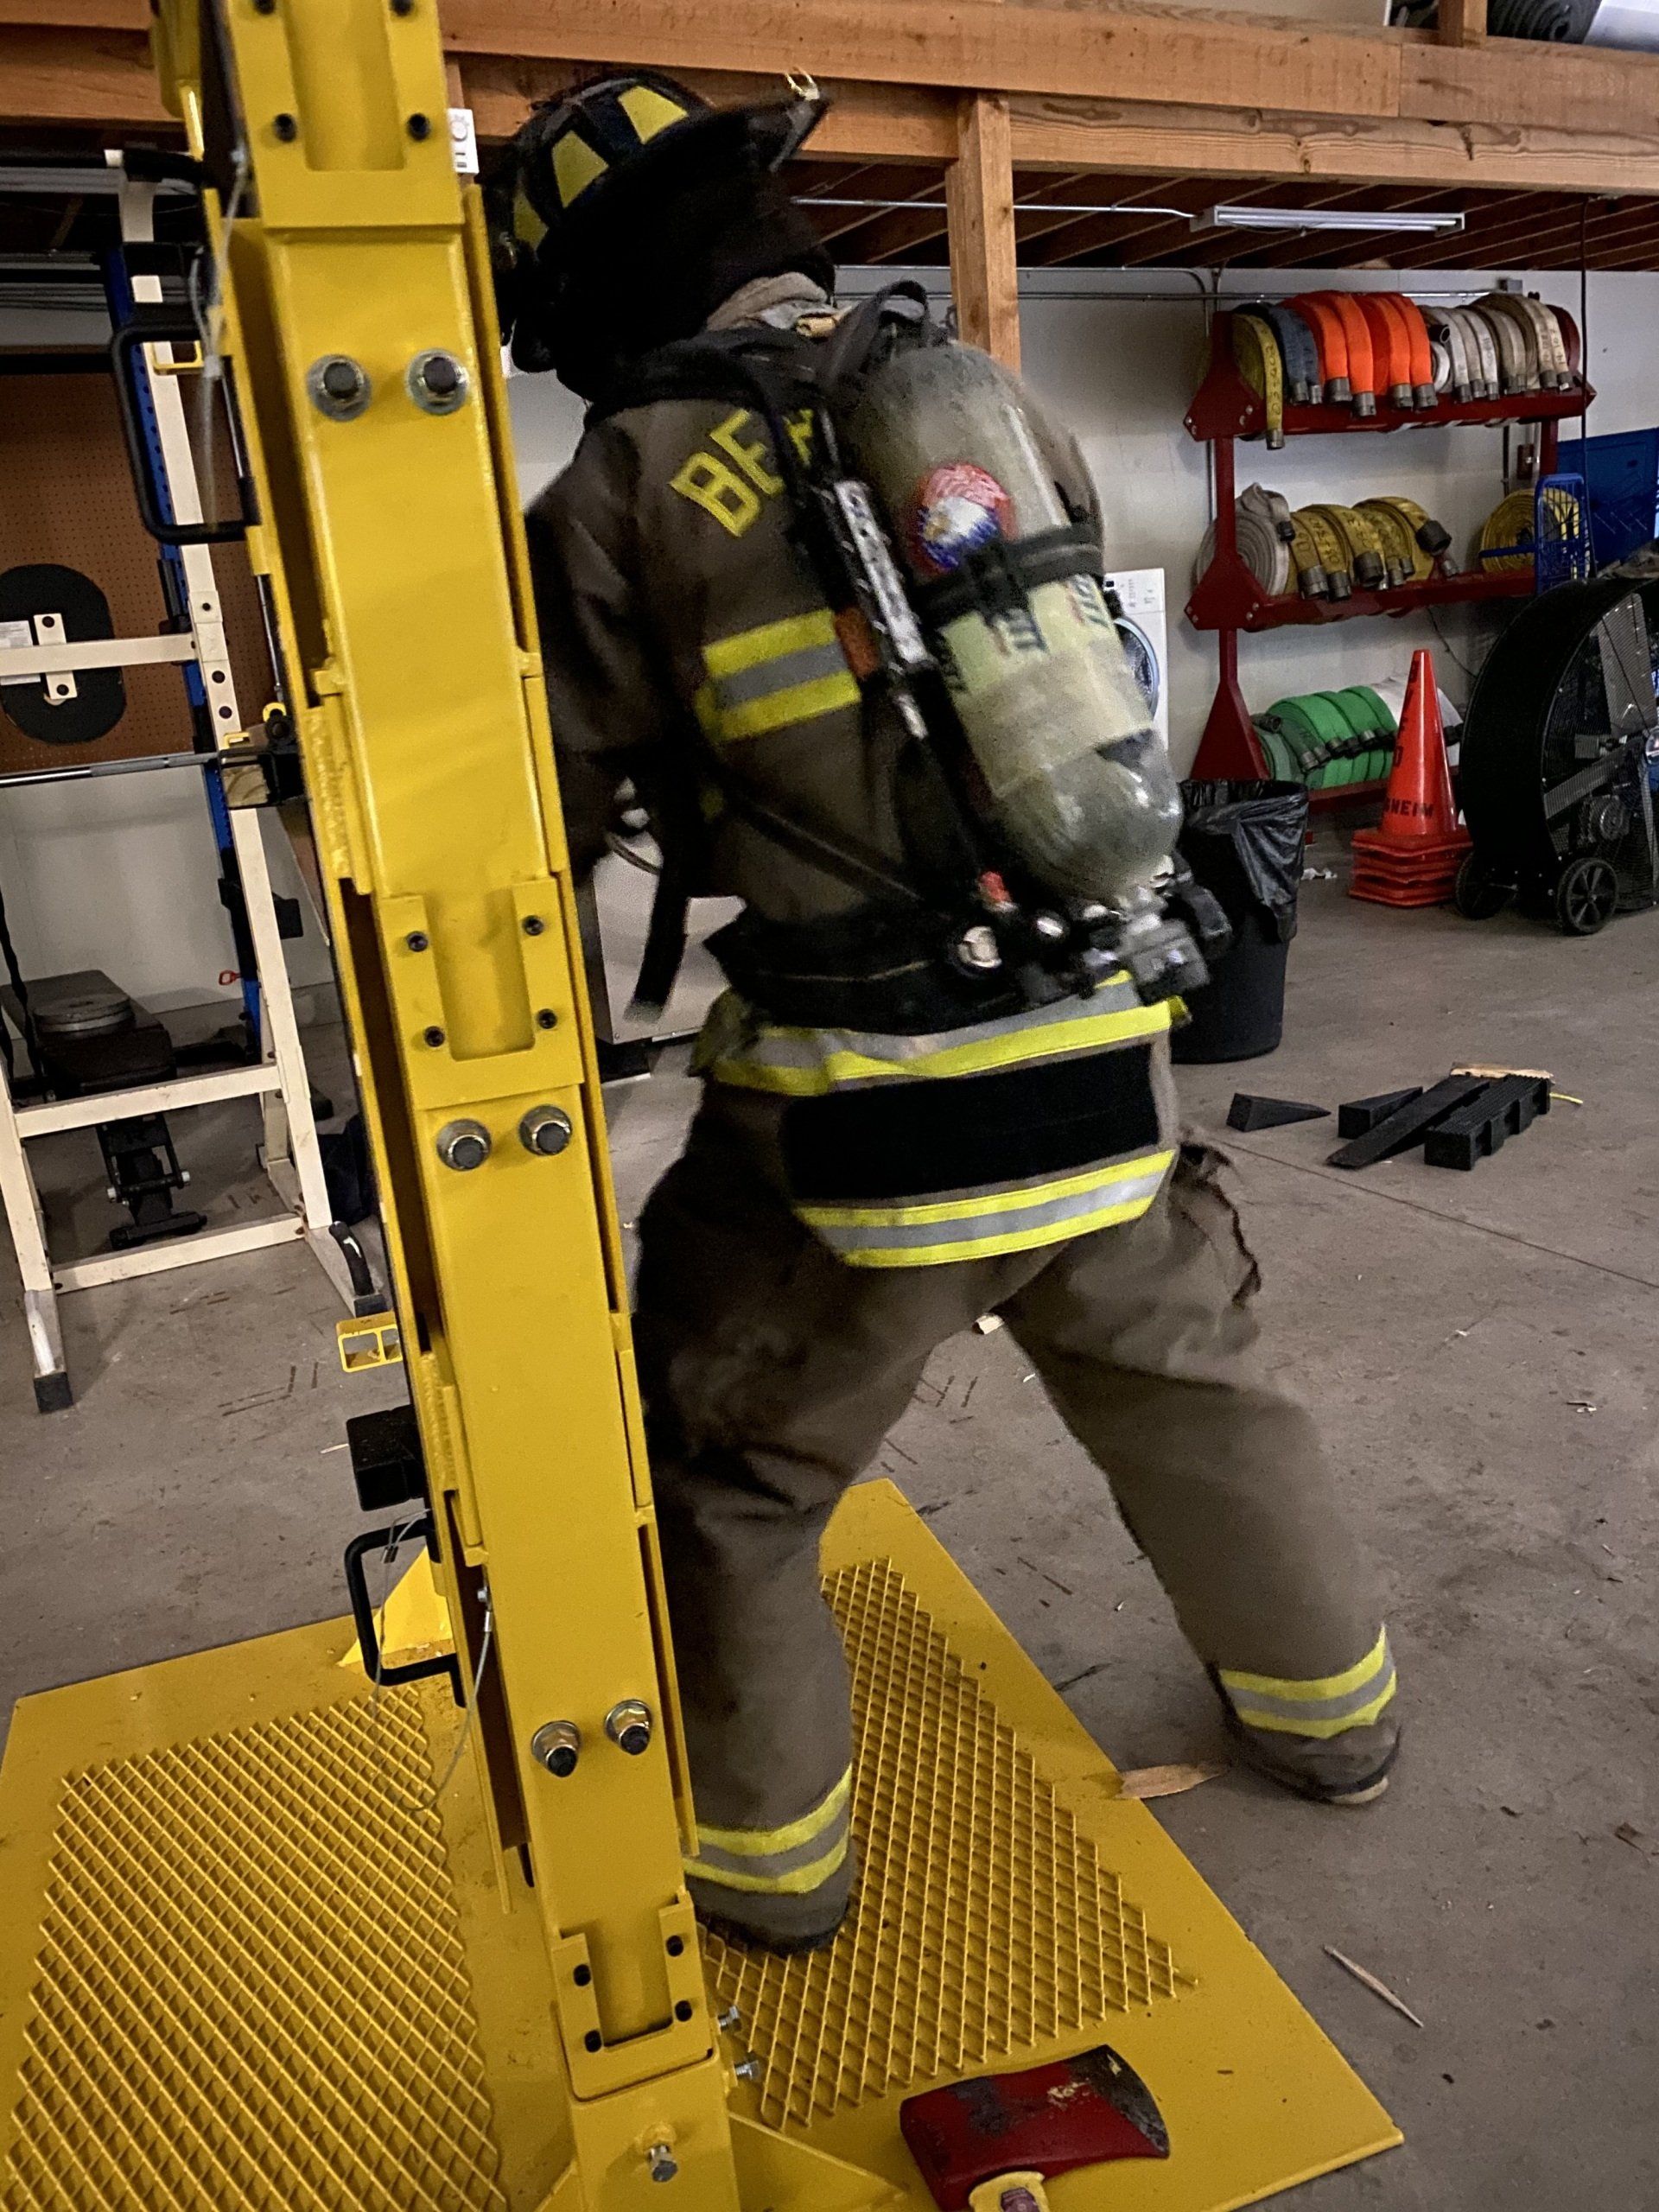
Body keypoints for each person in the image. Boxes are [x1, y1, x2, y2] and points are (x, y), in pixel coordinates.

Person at [491, 72, 1401, 1955]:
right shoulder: (978, 399)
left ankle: (771, 1873)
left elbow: (547, 818)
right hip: (1094, 1052)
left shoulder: (612, 488)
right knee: (1201, 1399)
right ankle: (1341, 1726)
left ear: (587, 299)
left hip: (848, 1123)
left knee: (735, 1472)